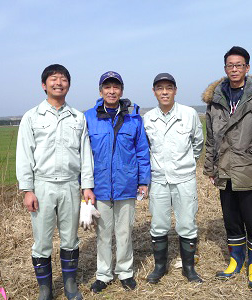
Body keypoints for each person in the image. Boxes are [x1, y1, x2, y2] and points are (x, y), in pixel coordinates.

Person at [202, 46, 252, 293]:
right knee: (231, 219)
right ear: (224, 68)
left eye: (239, 65)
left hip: (249, 170)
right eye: (229, 65)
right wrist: (211, 169)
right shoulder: (216, 99)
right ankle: (236, 260)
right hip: (224, 170)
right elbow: (211, 137)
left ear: (247, 67)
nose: (234, 69)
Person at [16, 64, 95, 300]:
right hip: (43, 186)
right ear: (44, 85)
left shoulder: (77, 117)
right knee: (42, 240)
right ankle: (45, 289)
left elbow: (85, 154)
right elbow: (24, 155)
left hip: (71, 185)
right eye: (53, 78)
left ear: (68, 85)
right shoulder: (31, 117)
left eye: (63, 79)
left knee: (71, 238)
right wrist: (27, 189)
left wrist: (87, 186)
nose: (58, 82)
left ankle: (70, 285)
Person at [84, 71, 151, 293]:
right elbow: (82, 155)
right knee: (103, 234)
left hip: (126, 185)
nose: (112, 91)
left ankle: (125, 272)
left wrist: (143, 181)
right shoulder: (88, 118)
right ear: (100, 90)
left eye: (116, 87)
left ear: (121, 90)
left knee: (124, 232)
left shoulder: (134, 118)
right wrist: (85, 186)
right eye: (107, 87)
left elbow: (142, 151)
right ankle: (103, 274)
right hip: (100, 187)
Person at [143, 73, 204, 284]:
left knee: (187, 224)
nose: (165, 92)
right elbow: (146, 148)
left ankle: (189, 268)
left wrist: (186, 163)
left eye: (169, 87)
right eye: (160, 88)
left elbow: (198, 143)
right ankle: (160, 267)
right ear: (154, 92)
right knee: (159, 225)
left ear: (175, 90)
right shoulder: (148, 118)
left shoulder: (189, 114)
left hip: (184, 179)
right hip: (158, 179)